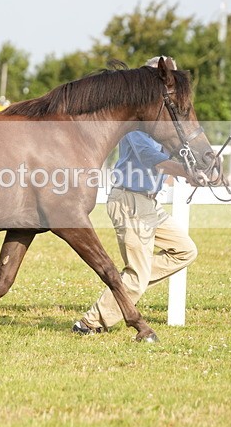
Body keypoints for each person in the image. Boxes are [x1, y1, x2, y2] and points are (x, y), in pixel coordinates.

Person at [72, 56, 200, 335]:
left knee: (185, 251)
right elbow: (148, 156)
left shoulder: (161, 118)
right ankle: (90, 323)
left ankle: (128, 284)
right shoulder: (135, 119)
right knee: (137, 276)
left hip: (149, 203)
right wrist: (183, 170)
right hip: (130, 200)